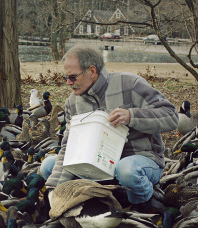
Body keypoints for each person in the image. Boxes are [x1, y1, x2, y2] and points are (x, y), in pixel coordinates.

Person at [40, 46, 178, 213]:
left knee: (126, 170)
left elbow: (171, 116)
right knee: (48, 166)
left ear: (92, 71)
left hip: (138, 161)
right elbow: (68, 147)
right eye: (66, 78)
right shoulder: (72, 102)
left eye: (73, 77)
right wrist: (54, 189)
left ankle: (143, 204)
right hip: (98, 167)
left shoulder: (130, 84)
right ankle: (101, 198)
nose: (68, 83)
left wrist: (131, 116)